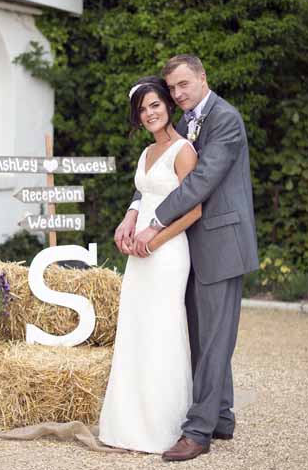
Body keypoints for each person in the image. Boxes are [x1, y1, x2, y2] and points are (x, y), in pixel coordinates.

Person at [114, 55, 259, 462]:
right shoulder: (185, 124)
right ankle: (222, 417)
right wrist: (134, 212)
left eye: (183, 85)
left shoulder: (225, 119)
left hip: (221, 242)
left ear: (202, 78)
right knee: (201, 335)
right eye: (172, 88)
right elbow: (157, 179)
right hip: (187, 245)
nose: (177, 94)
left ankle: (197, 432)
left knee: (214, 341)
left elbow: (201, 181)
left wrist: (154, 224)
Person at [98, 76, 202, 454]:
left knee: (162, 330)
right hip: (139, 253)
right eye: (142, 109)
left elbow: (193, 209)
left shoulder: (183, 150)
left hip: (168, 252)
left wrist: (153, 241)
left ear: (168, 106)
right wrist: (128, 219)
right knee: (135, 328)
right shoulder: (146, 153)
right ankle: (127, 424)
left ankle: (163, 426)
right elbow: (143, 194)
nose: (149, 113)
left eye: (155, 105)